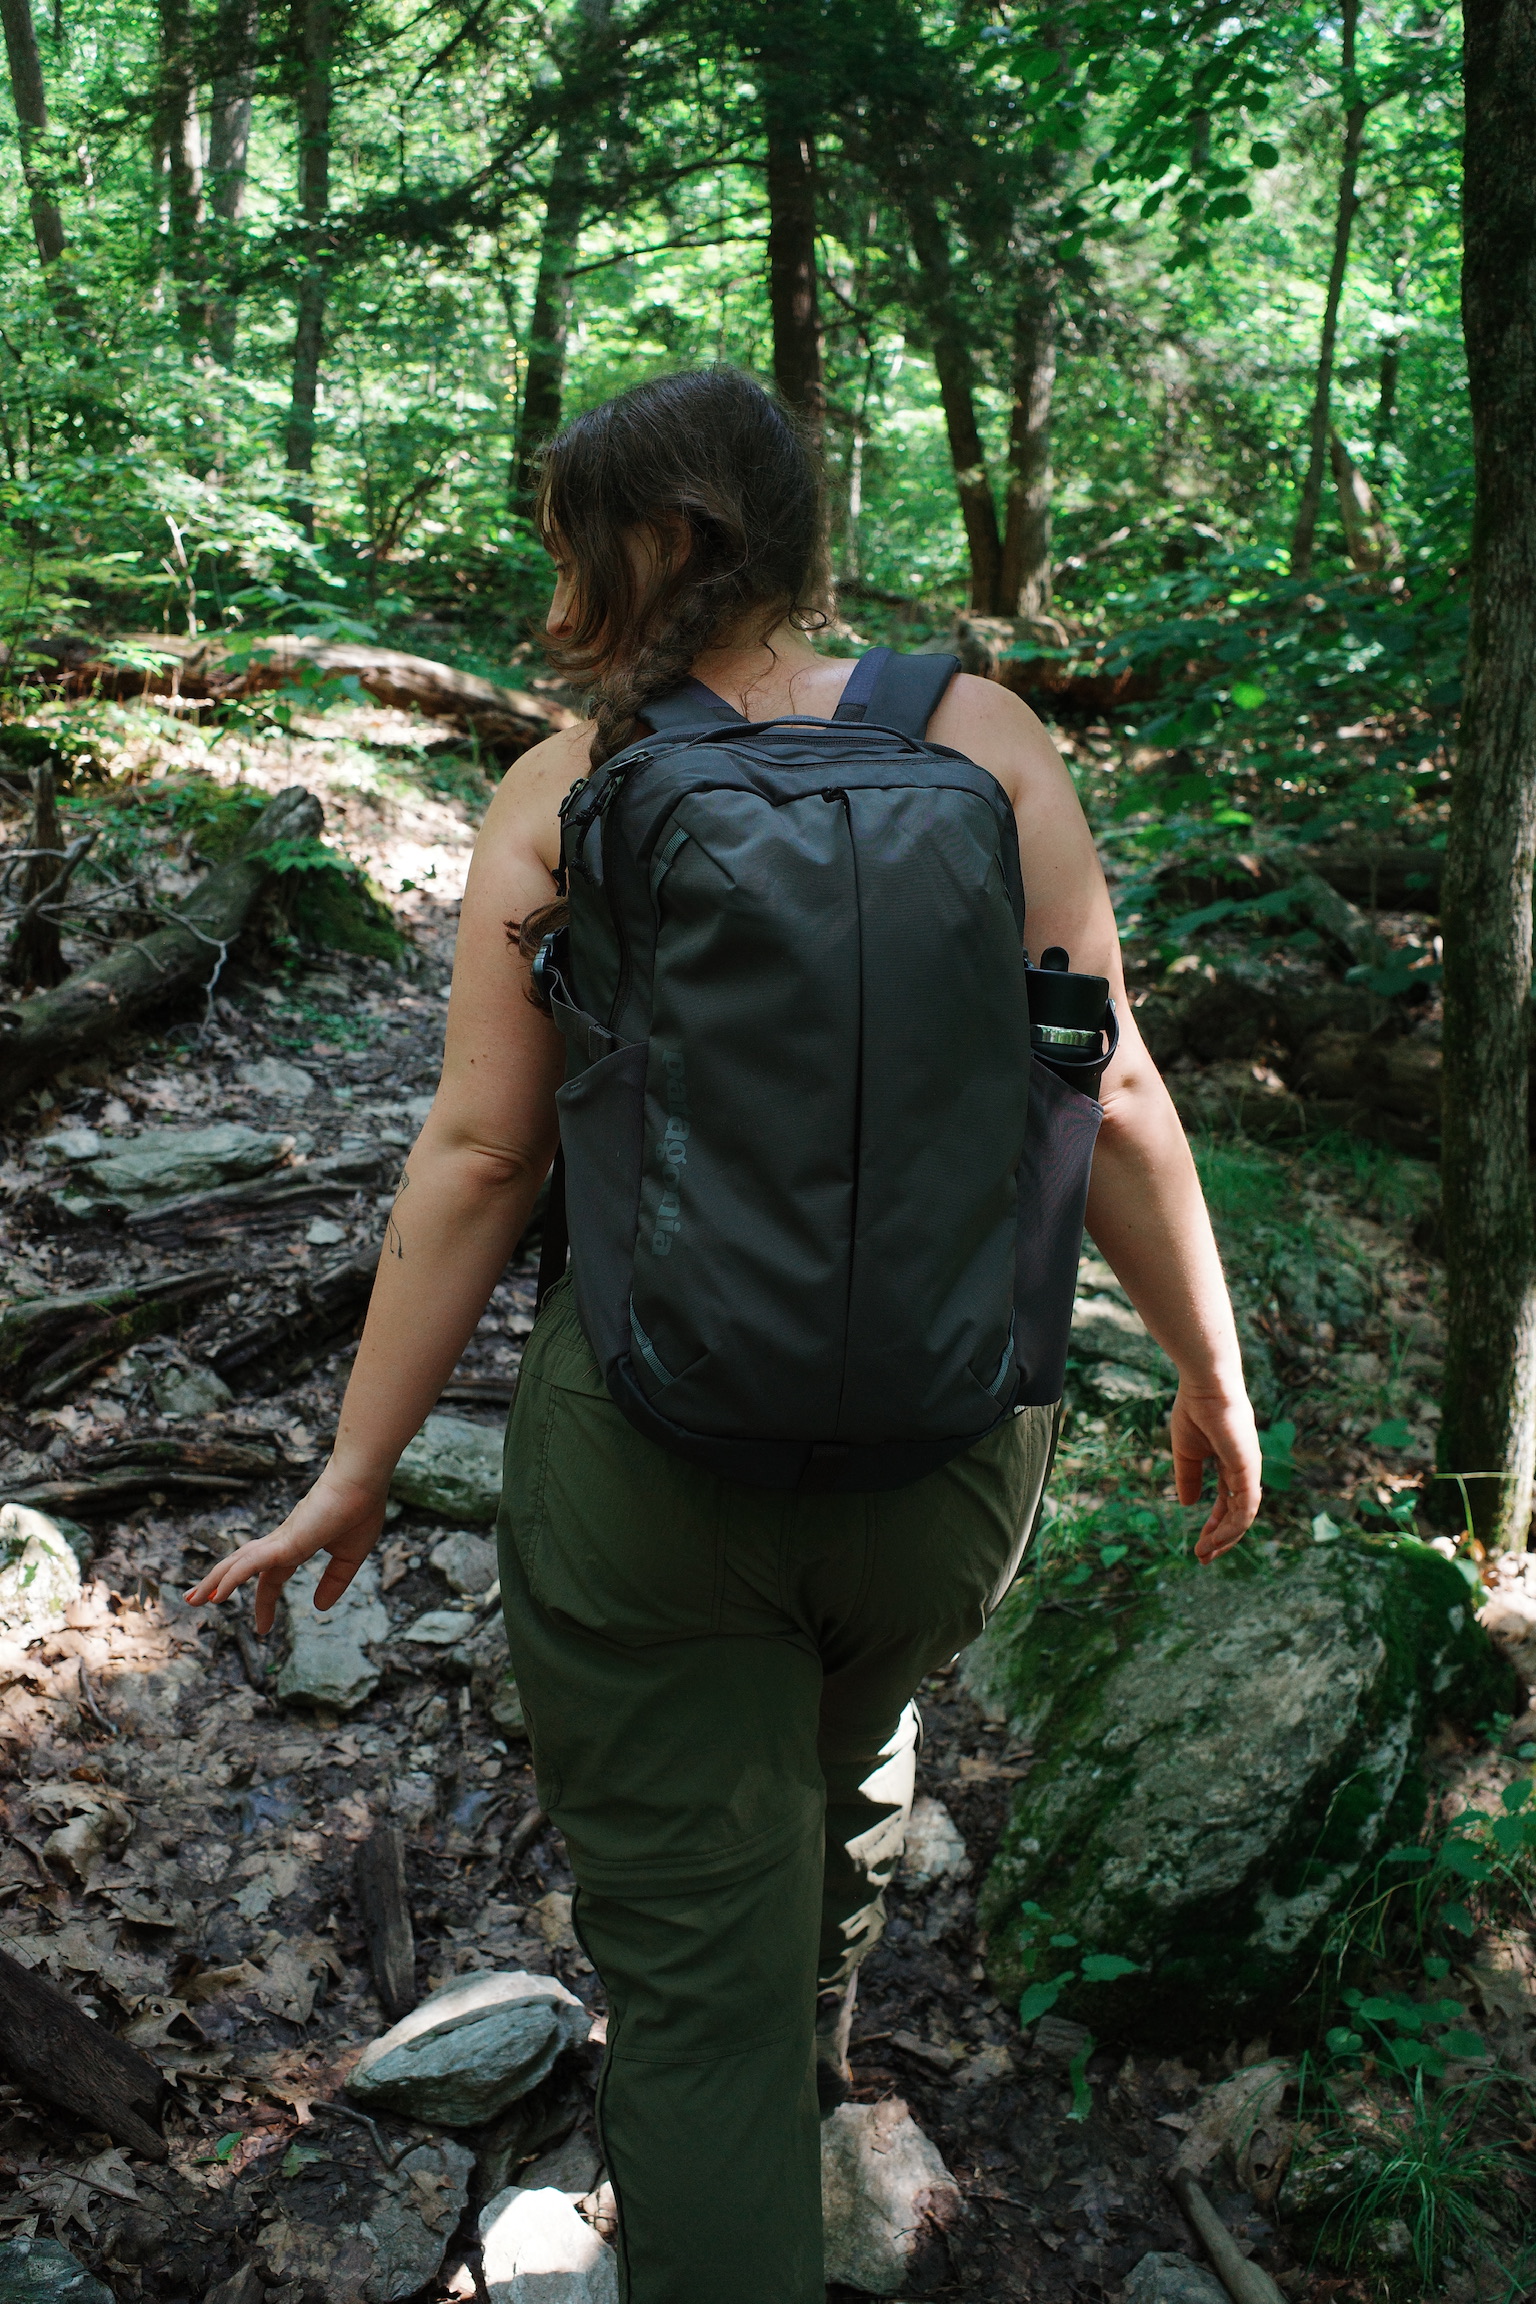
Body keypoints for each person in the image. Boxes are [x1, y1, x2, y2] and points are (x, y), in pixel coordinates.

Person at [188, 366, 1261, 2303]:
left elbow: (483, 1160)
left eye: (575, 553)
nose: (555, 601)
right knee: (848, 1749)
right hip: (943, 1460)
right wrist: (1211, 1363)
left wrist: (357, 1465)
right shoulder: (990, 741)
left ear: (659, 547)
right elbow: (1105, 1096)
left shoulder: (567, 791)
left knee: (684, 2004)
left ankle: (735, 2128)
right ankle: (810, 2037)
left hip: (656, 1474)